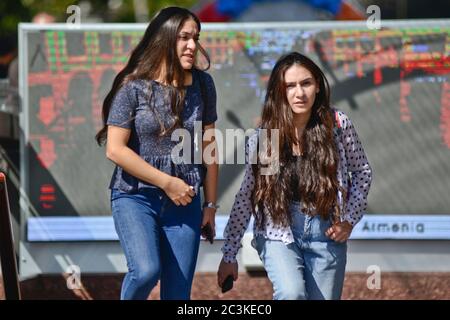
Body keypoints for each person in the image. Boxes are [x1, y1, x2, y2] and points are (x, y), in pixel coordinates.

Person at [217, 52, 372, 300]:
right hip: (279, 231)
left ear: (318, 85)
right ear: (279, 91)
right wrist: (229, 254)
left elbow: (362, 172)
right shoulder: (265, 137)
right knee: (291, 294)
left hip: (326, 231)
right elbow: (248, 194)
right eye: (290, 85)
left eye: (306, 83)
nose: (299, 93)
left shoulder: (338, 125)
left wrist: (349, 220)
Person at [95, 6, 219, 300]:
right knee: (146, 271)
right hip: (135, 197)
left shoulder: (203, 84)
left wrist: (211, 205)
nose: (193, 45)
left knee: (178, 295)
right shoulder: (133, 87)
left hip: (185, 200)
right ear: (164, 38)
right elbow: (115, 150)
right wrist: (166, 182)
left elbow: (209, 149)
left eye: (196, 38)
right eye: (184, 37)